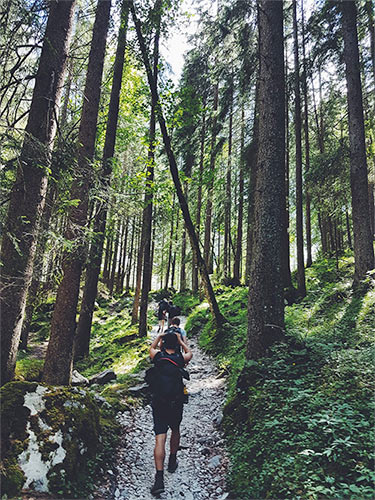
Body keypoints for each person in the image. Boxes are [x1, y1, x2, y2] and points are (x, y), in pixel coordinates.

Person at [149, 331, 192, 496]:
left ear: (163, 344)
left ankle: (159, 478)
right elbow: (190, 353)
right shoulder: (181, 359)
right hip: (176, 402)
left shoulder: (158, 357)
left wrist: (159, 337)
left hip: (159, 403)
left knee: (160, 438)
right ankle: (172, 460)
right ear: (176, 345)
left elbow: (150, 348)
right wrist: (181, 342)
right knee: (175, 429)